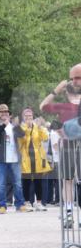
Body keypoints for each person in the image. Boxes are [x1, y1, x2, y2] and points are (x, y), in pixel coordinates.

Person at [40, 65, 81, 227]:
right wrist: (55, 90)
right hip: (68, 145)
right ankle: (69, 214)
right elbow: (43, 106)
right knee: (67, 180)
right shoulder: (64, 107)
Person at [17, 107, 51, 211]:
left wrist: (41, 127)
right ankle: (27, 203)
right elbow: (20, 143)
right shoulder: (20, 128)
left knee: (38, 182)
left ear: (33, 117)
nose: (28, 118)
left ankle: (39, 203)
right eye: (26, 116)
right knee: (26, 182)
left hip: (37, 158)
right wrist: (27, 129)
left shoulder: (38, 127)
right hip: (26, 158)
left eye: (30, 116)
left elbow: (45, 137)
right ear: (23, 117)